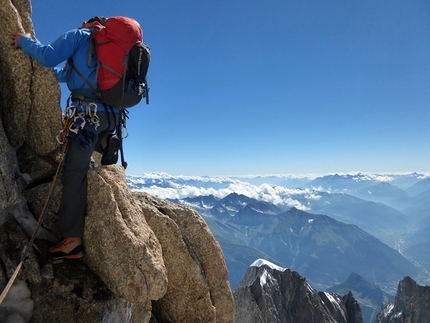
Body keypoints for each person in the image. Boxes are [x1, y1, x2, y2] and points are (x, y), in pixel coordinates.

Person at [10, 16, 121, 262]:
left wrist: (25, 42)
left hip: (88, 115)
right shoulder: (107, 52)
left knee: (73, 171)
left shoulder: (80, 36)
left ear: (91, 23)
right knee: (86, 155)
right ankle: (104, 145)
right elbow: (67, 75)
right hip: (111, 117)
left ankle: (71, 240)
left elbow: (49, 56)